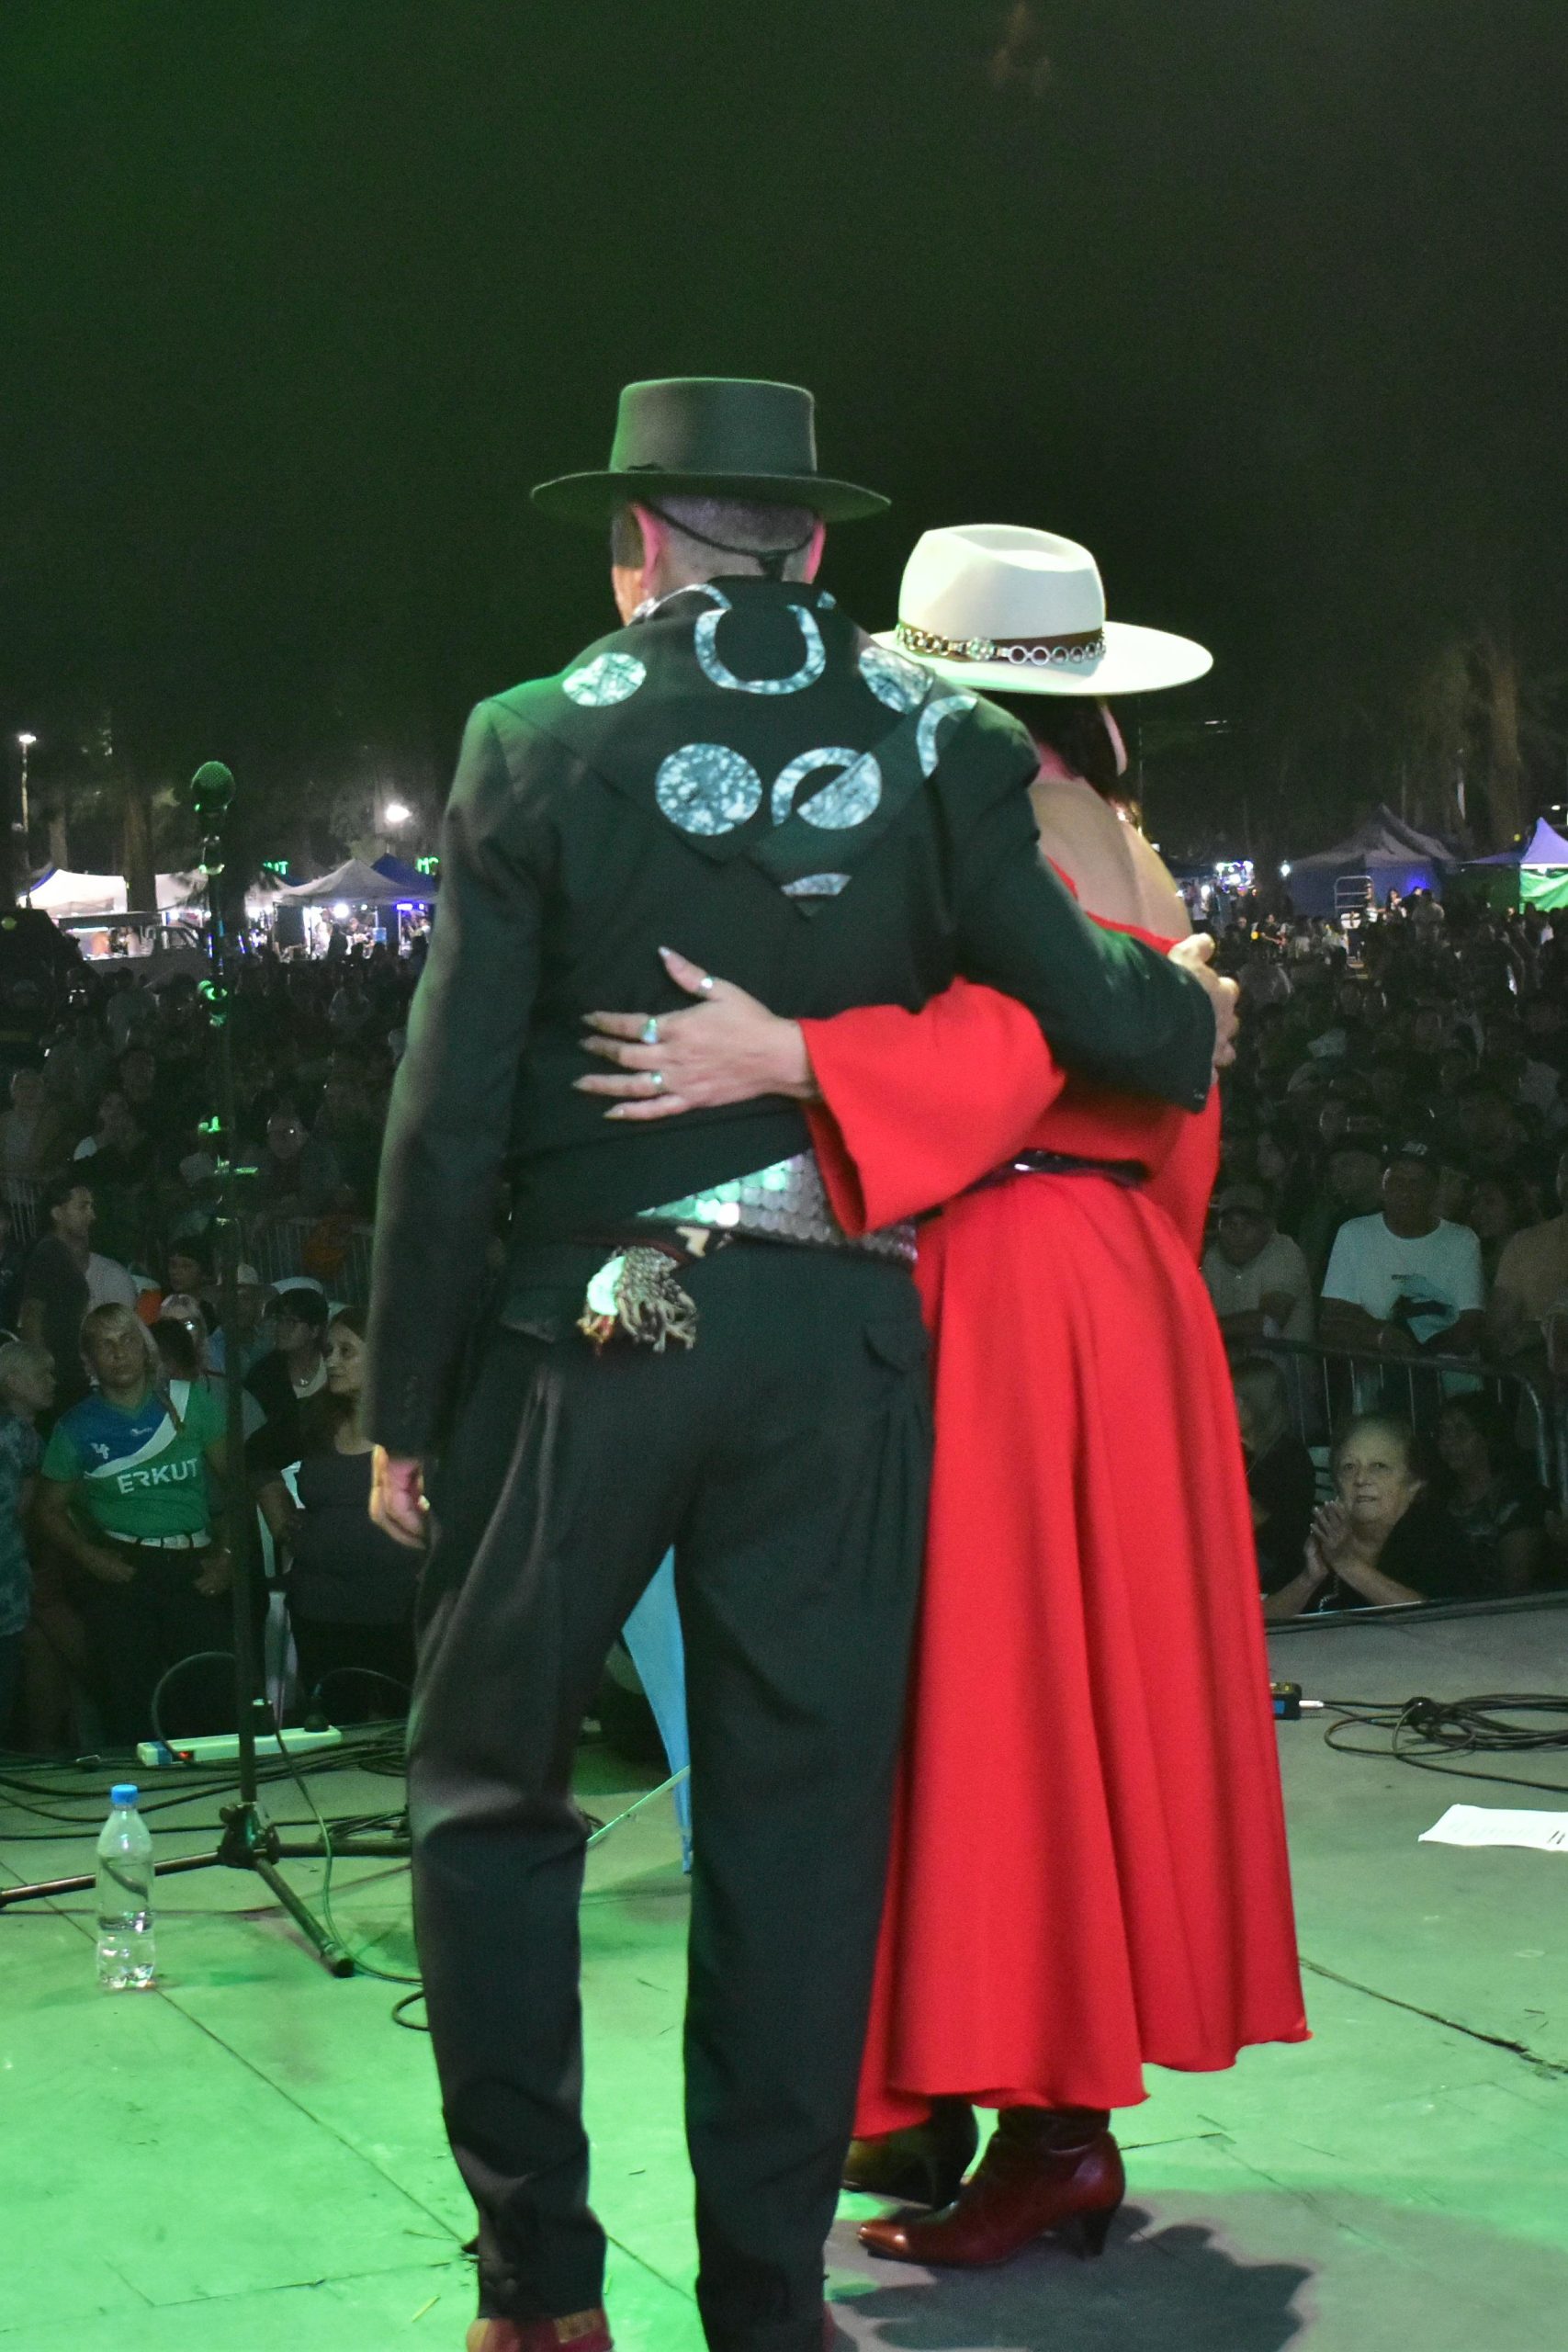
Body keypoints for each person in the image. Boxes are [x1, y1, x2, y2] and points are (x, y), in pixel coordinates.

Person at [363, 383, 1232, 2352]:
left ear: (637, 544)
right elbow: (1078, 1005)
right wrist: (1183, 1012)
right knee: (798, 1823)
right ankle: (765, 2304)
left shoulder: (529, 734)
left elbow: (448, 1109)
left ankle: (540, 2293)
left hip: (592, 1335)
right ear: (816, 543)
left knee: (489, 1793)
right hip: (837, 1343)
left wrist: (404, 1405)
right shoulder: (940, 736)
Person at [578, 519, 1294, 2274]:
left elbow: (1022, 1044)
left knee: (995, 1699)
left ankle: (1047, 2130)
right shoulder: (1109, 822)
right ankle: (937, 2099)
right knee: (1022, 1693)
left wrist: (795, 1054)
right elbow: (1156, 1084)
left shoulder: (998, 817)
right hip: (1104, 1279)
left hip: (1008, 1278)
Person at [36, 1303, 231, 1741]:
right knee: (131, 1700)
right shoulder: (76, 1426)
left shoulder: (188, 1402)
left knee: (215, 1690)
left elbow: (237, 1482)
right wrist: (88, 1556)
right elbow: (47, 1509)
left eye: (126, 1340)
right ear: (88, 1360)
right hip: (122, 1568)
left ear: (145, 1349)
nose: (118, 1352)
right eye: (104, 1345)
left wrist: (229, 1556)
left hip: (194, 1563)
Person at [255, 1308, 418, 1723]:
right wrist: (280, 1518)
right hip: (322, 1608)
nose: (331, 1361)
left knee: (404, 1725)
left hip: (399, 1609)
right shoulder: (313, 1417)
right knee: (335, 1723)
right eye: (329, 1350)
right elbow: (254, 1457)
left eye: (347, 1351)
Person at [1263, 1414, 1475, 1618]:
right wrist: (1309, 1579)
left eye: (1379, 1466)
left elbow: (1442, 1620)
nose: (1361, 1479)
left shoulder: (1439, 1535)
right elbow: (1258, 1624)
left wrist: (1346, 1563)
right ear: (1336, 1483)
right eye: (1349, 1467)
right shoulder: (1318, 1536)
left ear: (1414, 1483)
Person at [1319, 1140, 1484, 1358]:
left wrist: (1415, 1349)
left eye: (1418, 1183)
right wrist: (1381, 1337)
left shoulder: (1462, 1240)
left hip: (1446, 1372)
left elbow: (1470, 1325)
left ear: (1434, 1190)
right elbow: (1333, 1319)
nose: (1406, 1193)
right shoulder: (1353, 1233)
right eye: (1397, 1182)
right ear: (1382, 1186)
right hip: (1374, 1372)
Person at [17, 1175, 138, 1416]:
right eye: (83, 1207)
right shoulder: (48, 1254)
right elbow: (31, 1314)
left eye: (91, 1207)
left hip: (72, 1373)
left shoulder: (59, 1255)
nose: (92, 1215)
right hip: (64, 1378)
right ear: (57, 1213)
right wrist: (43, 1371)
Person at [1434, 1393, 1548, 1596]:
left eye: (1461, 1430)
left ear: (1488, 1435)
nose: (1448, 1441)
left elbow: (1516, 1585)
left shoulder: (1522, 1500)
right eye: (1443, 1431)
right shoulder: (1438, 1502)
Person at [0, 1340, 52, 1737]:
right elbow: (25, 1510)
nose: (52, 1381)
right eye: (42, 1374)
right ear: (12, 1381)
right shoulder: (19, 1437)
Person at [1232, 1354, 1317, 1594]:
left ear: (1256, 1405)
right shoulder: (1239, 1450)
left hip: (1277, 1567)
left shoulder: (1290, 1458)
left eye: (1233, 1399)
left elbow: (1288, 1540)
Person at [1201, 1182, 1314, 1345]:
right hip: (1229, 1358)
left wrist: (1201, 1329)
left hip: (1281, 1360)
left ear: (1267, 1226)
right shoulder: (1214, 1257)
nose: (1238, 1233)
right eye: (1230, 1224)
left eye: (1248, 1224)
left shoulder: (1284, 1252)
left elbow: (1269, 1322)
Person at [1489, 1144, 1568, 1363]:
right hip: (1535, 1377)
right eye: (1563, 1171)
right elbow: (1498, 1333)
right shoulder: (1526, 1243)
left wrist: (1541, 1333)